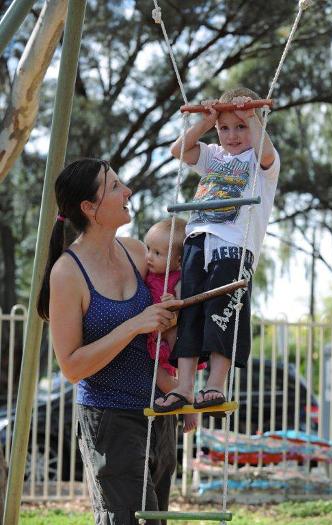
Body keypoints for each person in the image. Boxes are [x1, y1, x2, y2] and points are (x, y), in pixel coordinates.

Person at [37, 158, 183, 525]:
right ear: (90, 208)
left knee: (156, 521)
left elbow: (166, 309)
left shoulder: (138, 252)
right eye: (115, 187)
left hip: (159, 415)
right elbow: (71, 366)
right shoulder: (68, 273)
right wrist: (133, 324)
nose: (128, 191)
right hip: (110, 419)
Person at [153, 87, 280, 413]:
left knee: (223, 308)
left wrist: (250, 115)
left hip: (234, 245)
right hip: (198, 240)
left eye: (240, 127)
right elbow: (179, 149)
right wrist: (207, 119)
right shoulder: (213, 155)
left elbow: (265, 152)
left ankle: (215, 383)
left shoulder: (261, 159)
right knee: (190, 309)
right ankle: (184, 386)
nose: (233, 135)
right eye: (225, 128)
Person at [144, 217, 204, 432]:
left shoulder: (178, 279)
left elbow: (183, 308)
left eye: (157, 253)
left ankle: (187, 403)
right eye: (148, 248)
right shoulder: (147, 272)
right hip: (154, 335)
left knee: (168, 376)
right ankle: (184, 397)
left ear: (178, 260)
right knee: (158, 377)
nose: (149, 256)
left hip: (169, 339)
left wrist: (174, 304)